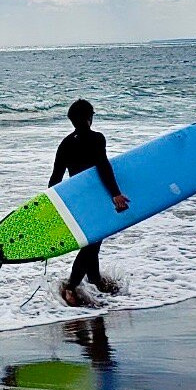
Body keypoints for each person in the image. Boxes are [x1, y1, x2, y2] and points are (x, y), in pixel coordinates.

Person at [48, 99, 129, 306]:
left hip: (77, 201)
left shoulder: (65, 144)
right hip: (96, 198)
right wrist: (116, 194)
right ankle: (72, 286)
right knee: (92, 243)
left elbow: (55, 178)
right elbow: (103, 167)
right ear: (89, 118)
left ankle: (95, 280)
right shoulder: (96, 139)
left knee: (93, 240)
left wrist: (54, 206)